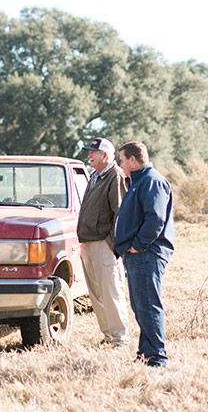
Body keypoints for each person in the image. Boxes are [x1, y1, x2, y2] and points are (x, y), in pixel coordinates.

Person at [114, 141, 174, 367]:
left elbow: (155, 219)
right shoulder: (138, 182)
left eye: (122, 160)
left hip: (147, 253)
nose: (120, 165)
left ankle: (157, 358)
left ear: (132, 159)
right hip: (138, 254)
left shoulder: (152, 181)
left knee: (148, 304)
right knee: (141, 305)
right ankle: (145, 354)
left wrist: (137, 245)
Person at [77, 137, 130, 346]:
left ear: (105, 156)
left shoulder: (114, 176)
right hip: (89, 243)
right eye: (89, 151)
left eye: (93, 152)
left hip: (103, 245)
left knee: (111, 291)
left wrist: (111, 243)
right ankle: (109, 336)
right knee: (97, 294)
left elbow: (121, 213)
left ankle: (119, 338)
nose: (89, 155)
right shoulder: (95, 176)